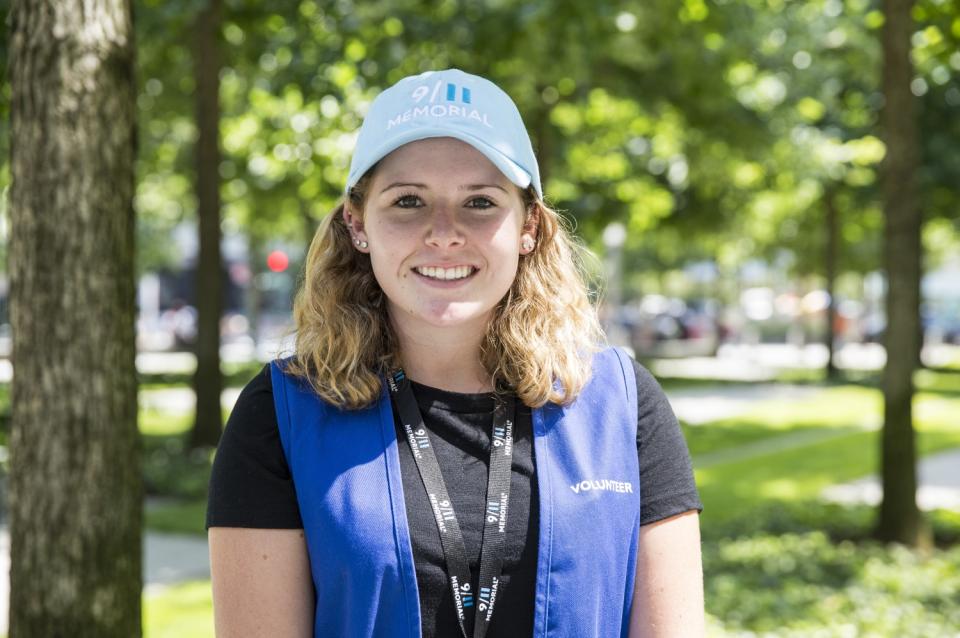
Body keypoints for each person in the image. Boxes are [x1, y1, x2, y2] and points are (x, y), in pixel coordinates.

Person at [207, 68, 704, 638]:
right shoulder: (281, 415)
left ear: (530, 227)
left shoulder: (622, 406)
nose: (444, 233)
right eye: (409, 200)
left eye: (480, 202)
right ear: (356, 222)